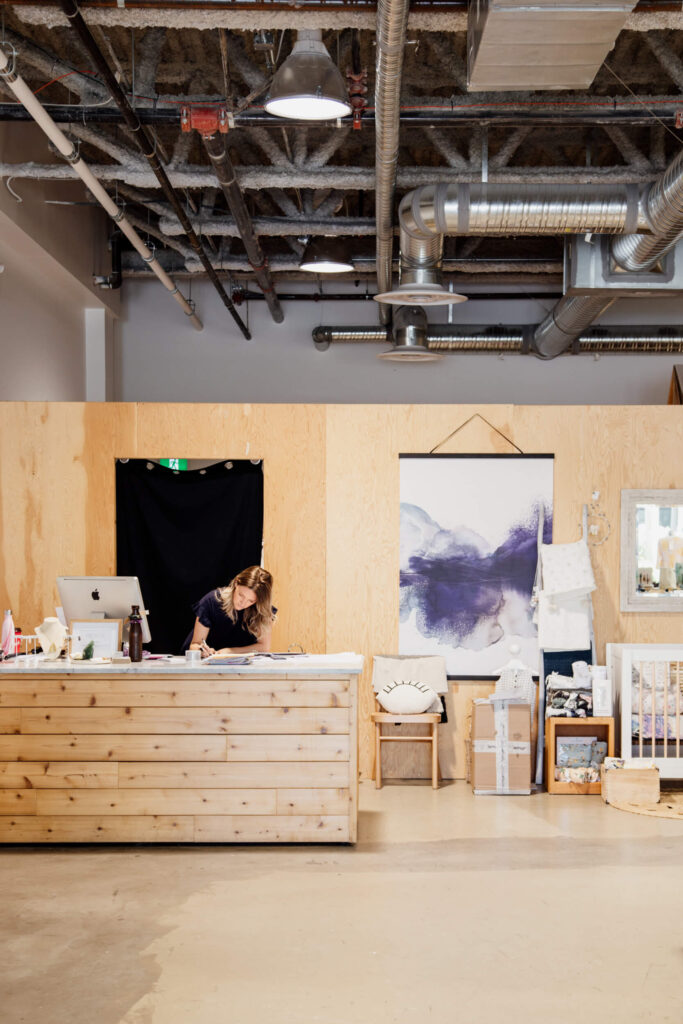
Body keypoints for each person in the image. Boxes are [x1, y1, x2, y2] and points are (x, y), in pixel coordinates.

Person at [182, 566, 276, 657]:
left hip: (238, 664)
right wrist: (201, 651)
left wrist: (230, 651)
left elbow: (264, 647)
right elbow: (194, 645)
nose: (243, 603)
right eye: (241, 595)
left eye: (251, 601)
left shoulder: (262, 610)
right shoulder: (212, 601)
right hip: (203, 662)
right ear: (236, 583)